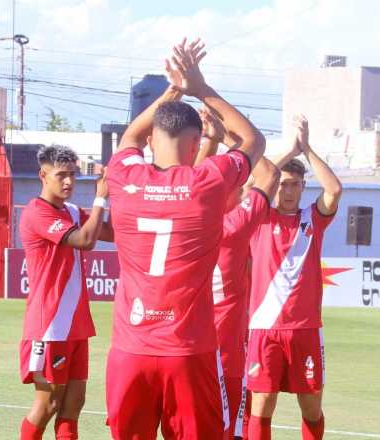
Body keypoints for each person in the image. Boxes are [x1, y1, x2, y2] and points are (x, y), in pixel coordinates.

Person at [102, 38, 266, 439]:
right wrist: (200, 87)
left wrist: (174, 89)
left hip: (131, 349)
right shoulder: (207, 182)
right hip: (188, 353)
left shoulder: (125, 175)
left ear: (153, 141)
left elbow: (128, 139)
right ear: (197, 145)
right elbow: (253, 142)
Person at [243, 115, 342, 440]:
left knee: (311, 407)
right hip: (264, 327)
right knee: (262, 403)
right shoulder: (259, 216)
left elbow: (334, 189)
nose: (287, 190)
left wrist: (308, 149)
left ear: (303, 187)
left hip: (305, 330)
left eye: (294, 184)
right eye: (282, 183)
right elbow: (249, 180)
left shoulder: (312, 219)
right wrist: (289, 151)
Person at [194, 108, 280, 440]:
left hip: (186, 347)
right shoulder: (234, 226)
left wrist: (211, 140)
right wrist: (233, 140)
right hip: (225, 352)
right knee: (226, 431)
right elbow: (269, 174)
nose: (243, 188)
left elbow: (196, 180)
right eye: (237, 183)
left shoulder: (190, 222)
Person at [17, 145, 111, 440]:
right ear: (43, 175)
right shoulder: (36, 212)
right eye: (62, 175)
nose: (69, 181)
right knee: (48, 404)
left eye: (73, 174)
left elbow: (107, 231)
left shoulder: (71, 210)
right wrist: (101, 196)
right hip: (50, 325)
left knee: (74, 404)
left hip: (76, 324)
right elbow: (85, 240)